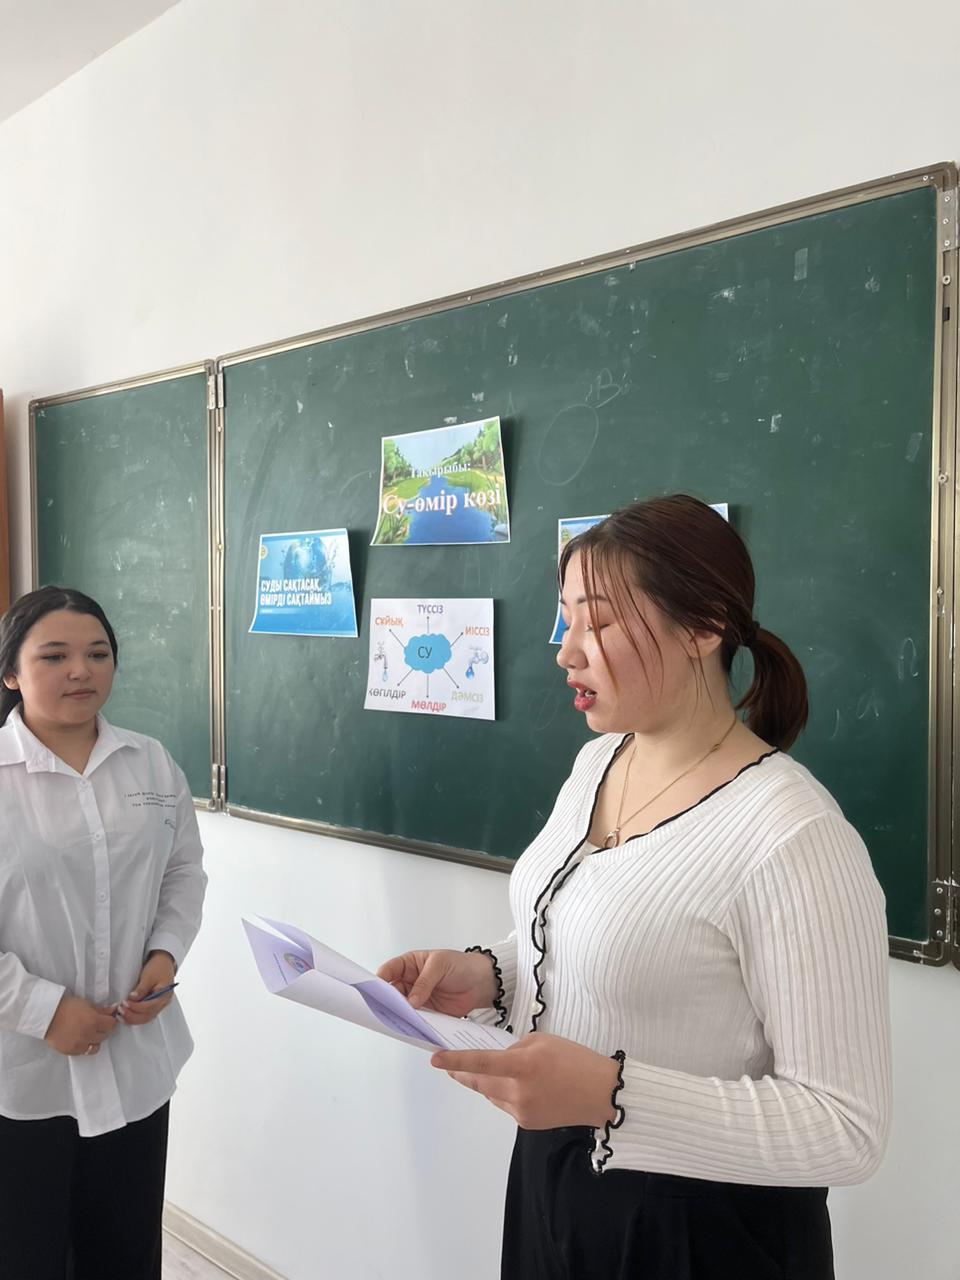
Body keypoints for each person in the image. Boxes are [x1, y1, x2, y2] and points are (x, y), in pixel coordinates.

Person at [378, 495, 891, 1280]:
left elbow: (846, 1129)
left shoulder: (793, 835)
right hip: (555, 1182)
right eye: (566, 621)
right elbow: (601, 937)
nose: (566, 652)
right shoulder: (600, 762)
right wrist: (491, 975)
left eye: (599, 622)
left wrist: (612, 1097)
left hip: (707, 1232)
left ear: (704, 626)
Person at [0, 586, 207, 1280]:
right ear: (11, 672)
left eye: (97, 654)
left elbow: (183, 870)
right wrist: (45, 1010)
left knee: (124, 1254)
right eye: (53, 656)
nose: (80, 671)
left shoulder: (151, 763)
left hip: (135, 1062)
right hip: (19, 1075)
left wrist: (165, 954)